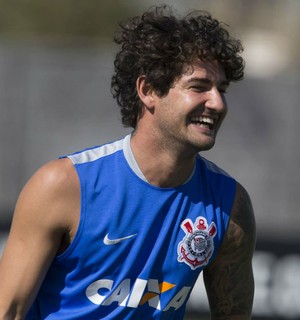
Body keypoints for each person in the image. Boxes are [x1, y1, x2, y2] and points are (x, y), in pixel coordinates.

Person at [0, 5, 256, 320]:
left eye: (222, 89)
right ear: (148, 90)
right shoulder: (63, 185)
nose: (217, 102)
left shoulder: (230, 206)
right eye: (199, 87)